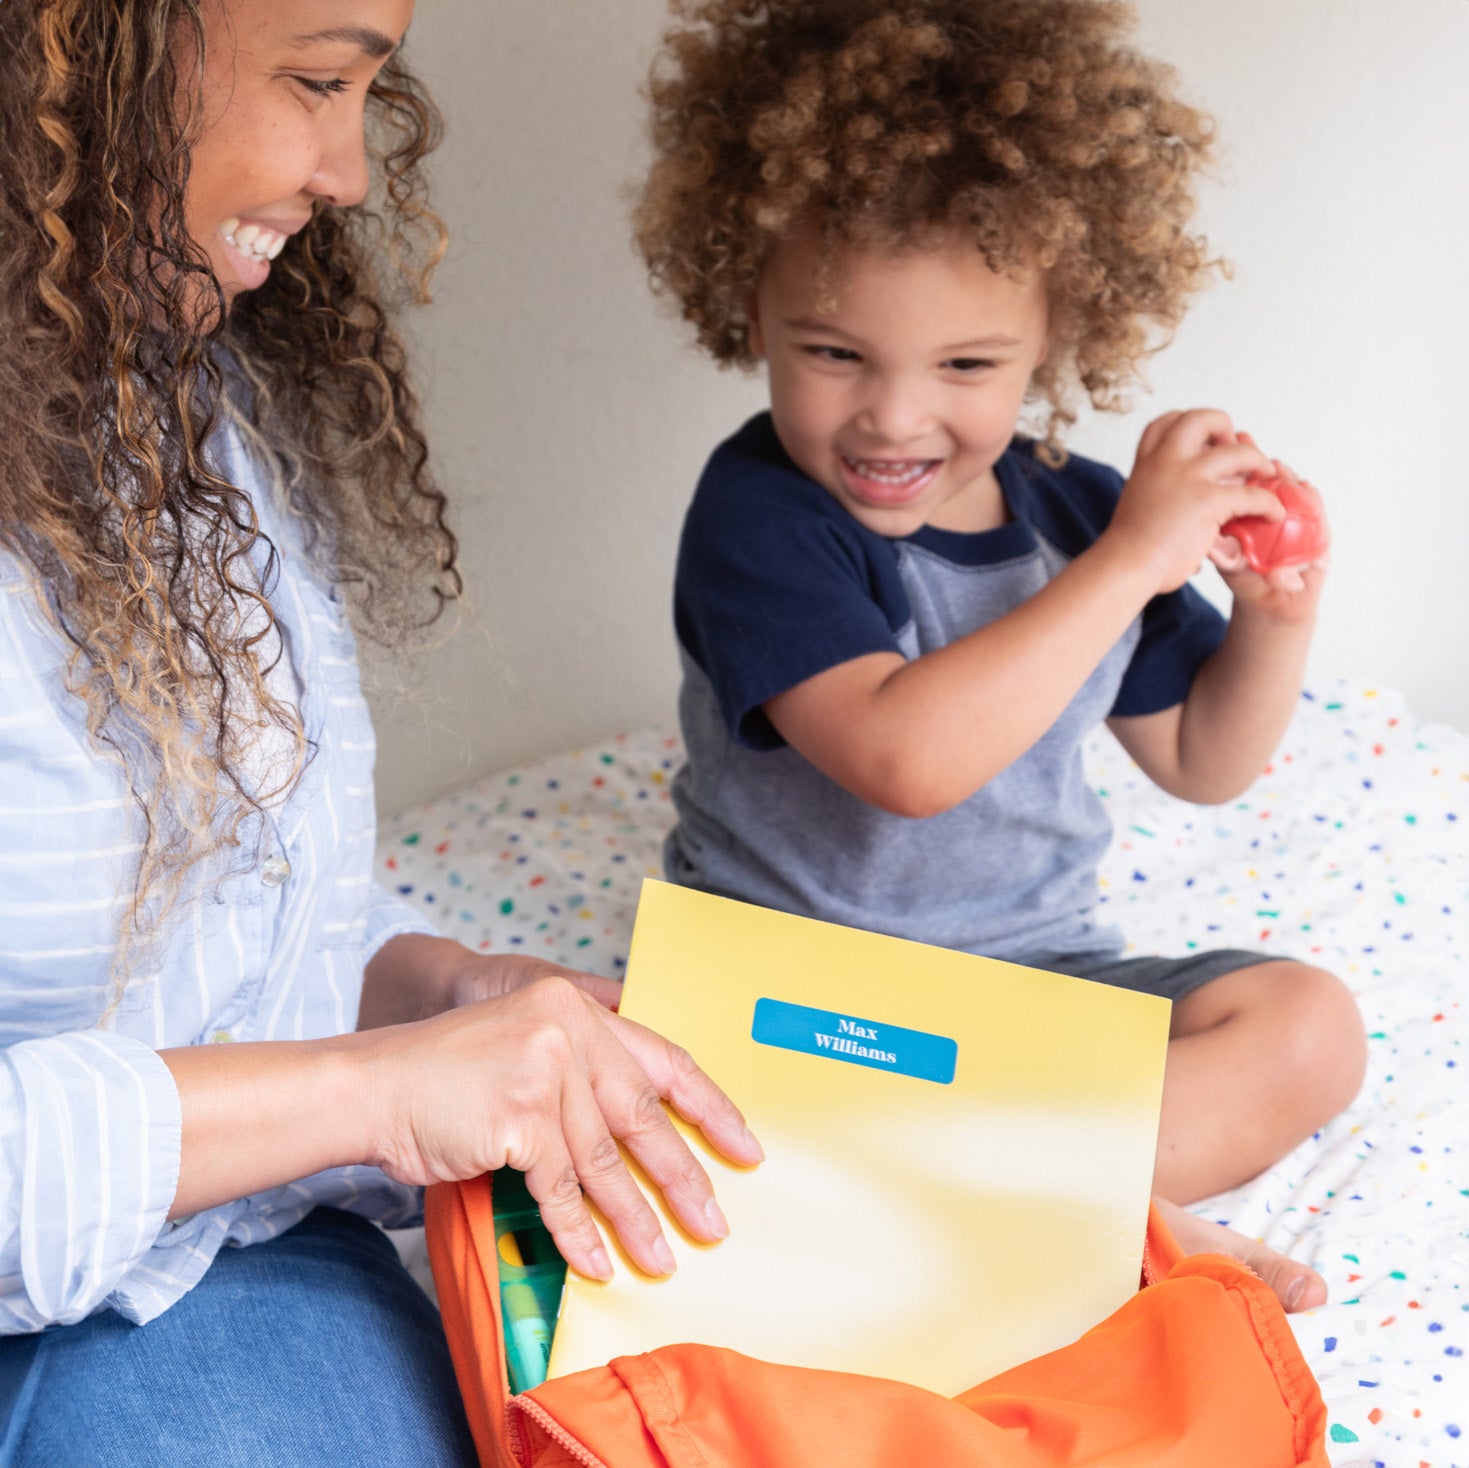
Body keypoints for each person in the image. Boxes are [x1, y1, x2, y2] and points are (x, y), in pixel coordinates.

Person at [0, 2, 761, 1461]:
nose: (346, 168)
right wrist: (370, 1095)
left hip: (217, 1267)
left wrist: (440, 992)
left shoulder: (180, 405)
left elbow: (230, 925)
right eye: (313, 81)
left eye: (367, 91)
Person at [634, 0, 1366, 1308]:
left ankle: (1005, 1178)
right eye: (833, 353)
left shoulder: (1077, 512)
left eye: (967, 363)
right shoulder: (757, 517)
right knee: (716, 1098)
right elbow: (905, 757)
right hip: (793, 988)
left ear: (1054, 339)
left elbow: (1204, 757)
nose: (893, 416)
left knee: (1308, 1029)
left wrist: (1270, 615)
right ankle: (1065, 1200)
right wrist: (1130, 564)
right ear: (750, 306)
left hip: (1032, 985)